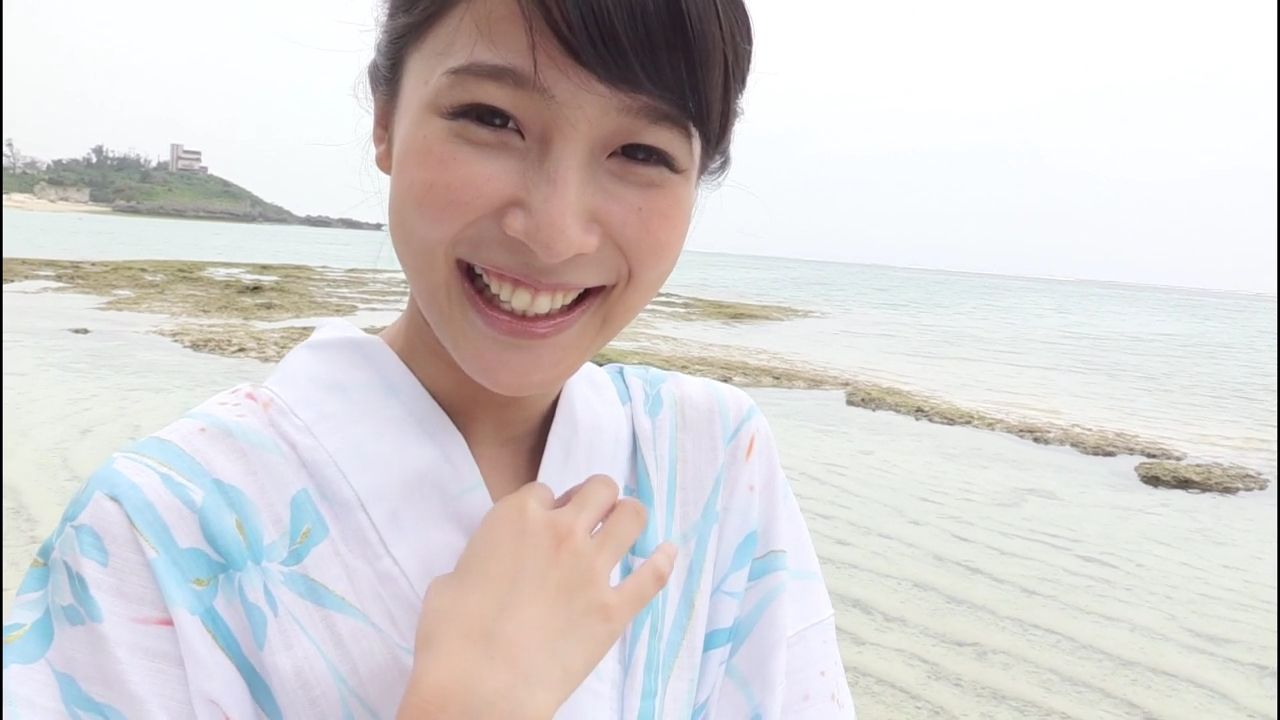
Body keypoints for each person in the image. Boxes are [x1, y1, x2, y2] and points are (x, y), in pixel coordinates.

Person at [2, 0, 856, 717]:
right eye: (492, 118)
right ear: (385, 120)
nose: (554, 232)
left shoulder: (714, 460)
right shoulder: (150, 531)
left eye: (641, 153)